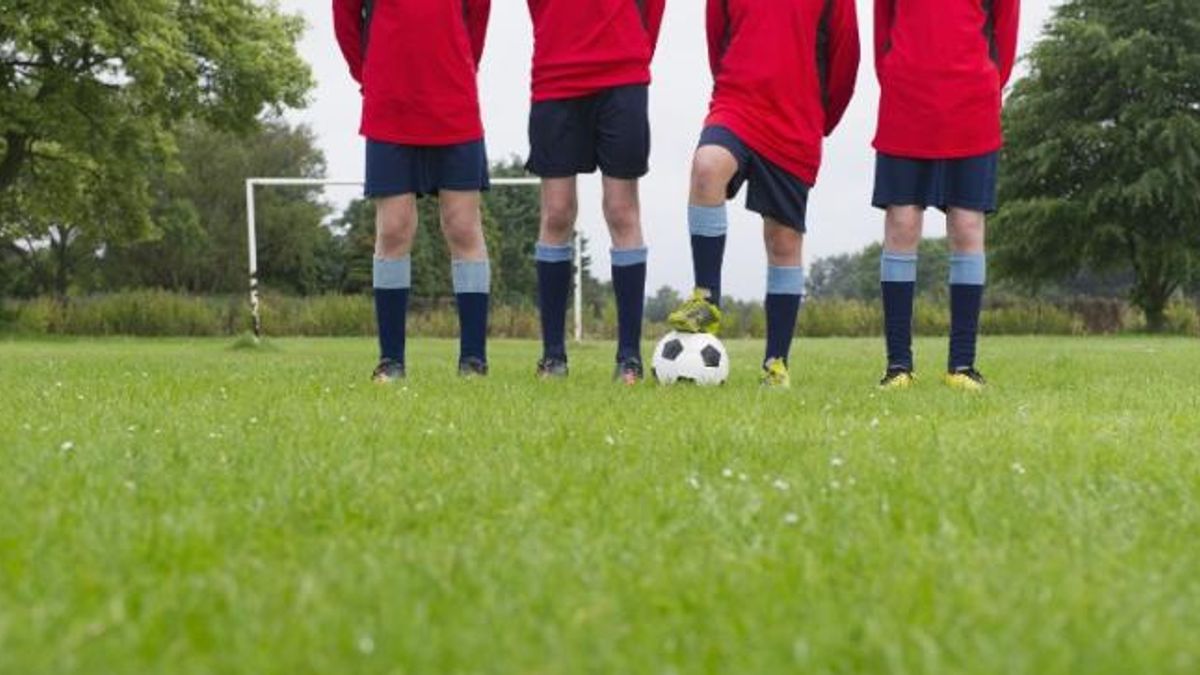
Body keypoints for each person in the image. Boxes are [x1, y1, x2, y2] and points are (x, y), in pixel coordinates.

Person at [668, 0, 860, 388]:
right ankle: (706, 299)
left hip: (797, 118)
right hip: (737, 104)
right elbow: (716, 40)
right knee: (707, 167)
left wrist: (820, 120)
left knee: (783, 241)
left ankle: (775, 363)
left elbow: (846, 59)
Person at [333, 0, 493, 382]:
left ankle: (473, 360)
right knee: (393, 229)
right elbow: (345, 23)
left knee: (463, 228)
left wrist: (455, 68)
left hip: (454, 102)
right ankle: (391, 361)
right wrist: (372, 76)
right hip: (390, 106)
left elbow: (477, 20)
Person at [873, 0, 1020, 391]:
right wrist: (897, 75)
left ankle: (962, 366)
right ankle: (898, 366)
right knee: (901, 225)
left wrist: (985, 82)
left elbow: (1004, 36)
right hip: (905, 103)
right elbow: (881, 33)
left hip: (972, 105)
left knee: (967, 227)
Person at [525, 0, 666, 383]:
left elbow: (652, 8)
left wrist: (630, 48)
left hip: (622, 74)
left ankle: (629, 358)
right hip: (556, 74)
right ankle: (553, 356)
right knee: (556, 212)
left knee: (621, 211)